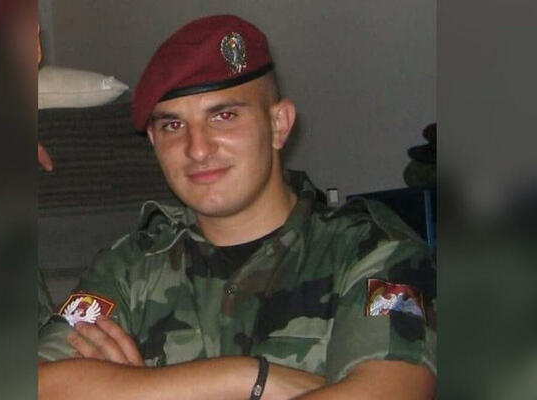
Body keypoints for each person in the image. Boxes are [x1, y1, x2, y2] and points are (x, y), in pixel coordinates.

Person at [38, 14, 436, 399]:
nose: (197, 149)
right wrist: (250, 378)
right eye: (173, 125)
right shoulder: (128, 268)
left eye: (224, 116)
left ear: (279, 124)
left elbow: (389, 389)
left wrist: (142, 390)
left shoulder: (371, 251)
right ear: (155, 143)